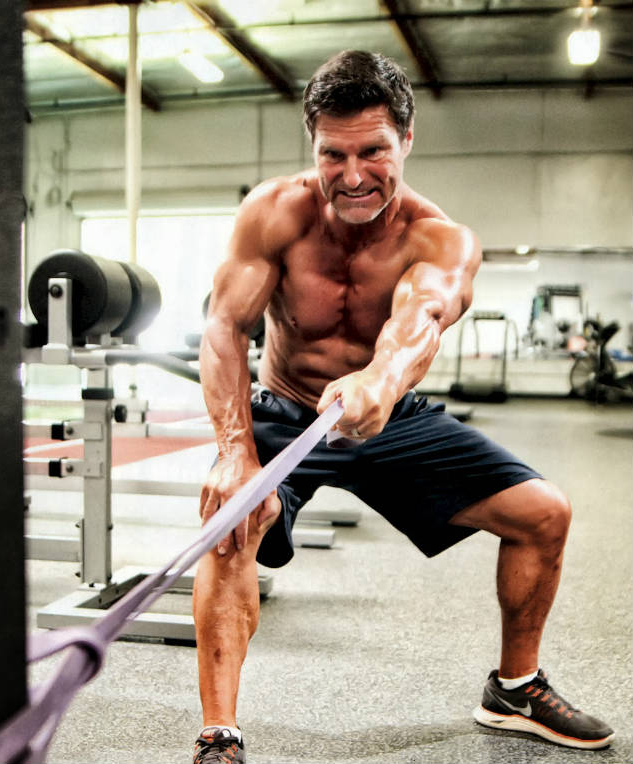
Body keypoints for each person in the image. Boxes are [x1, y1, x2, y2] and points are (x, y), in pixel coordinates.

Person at [191, 50, 614, 764]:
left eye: (373, 151)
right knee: (231, 518)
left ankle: (514, 688)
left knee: (544, 513)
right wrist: (236, 449)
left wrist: (381, 383)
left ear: (406, 141)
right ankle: (219, 734)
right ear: (312, 145)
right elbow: (225, 326)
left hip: (389, 412)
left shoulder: (441, 238)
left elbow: (419, 319)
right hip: (285, 408)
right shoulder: (274, 213)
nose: (353, 176)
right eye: (334, 154)